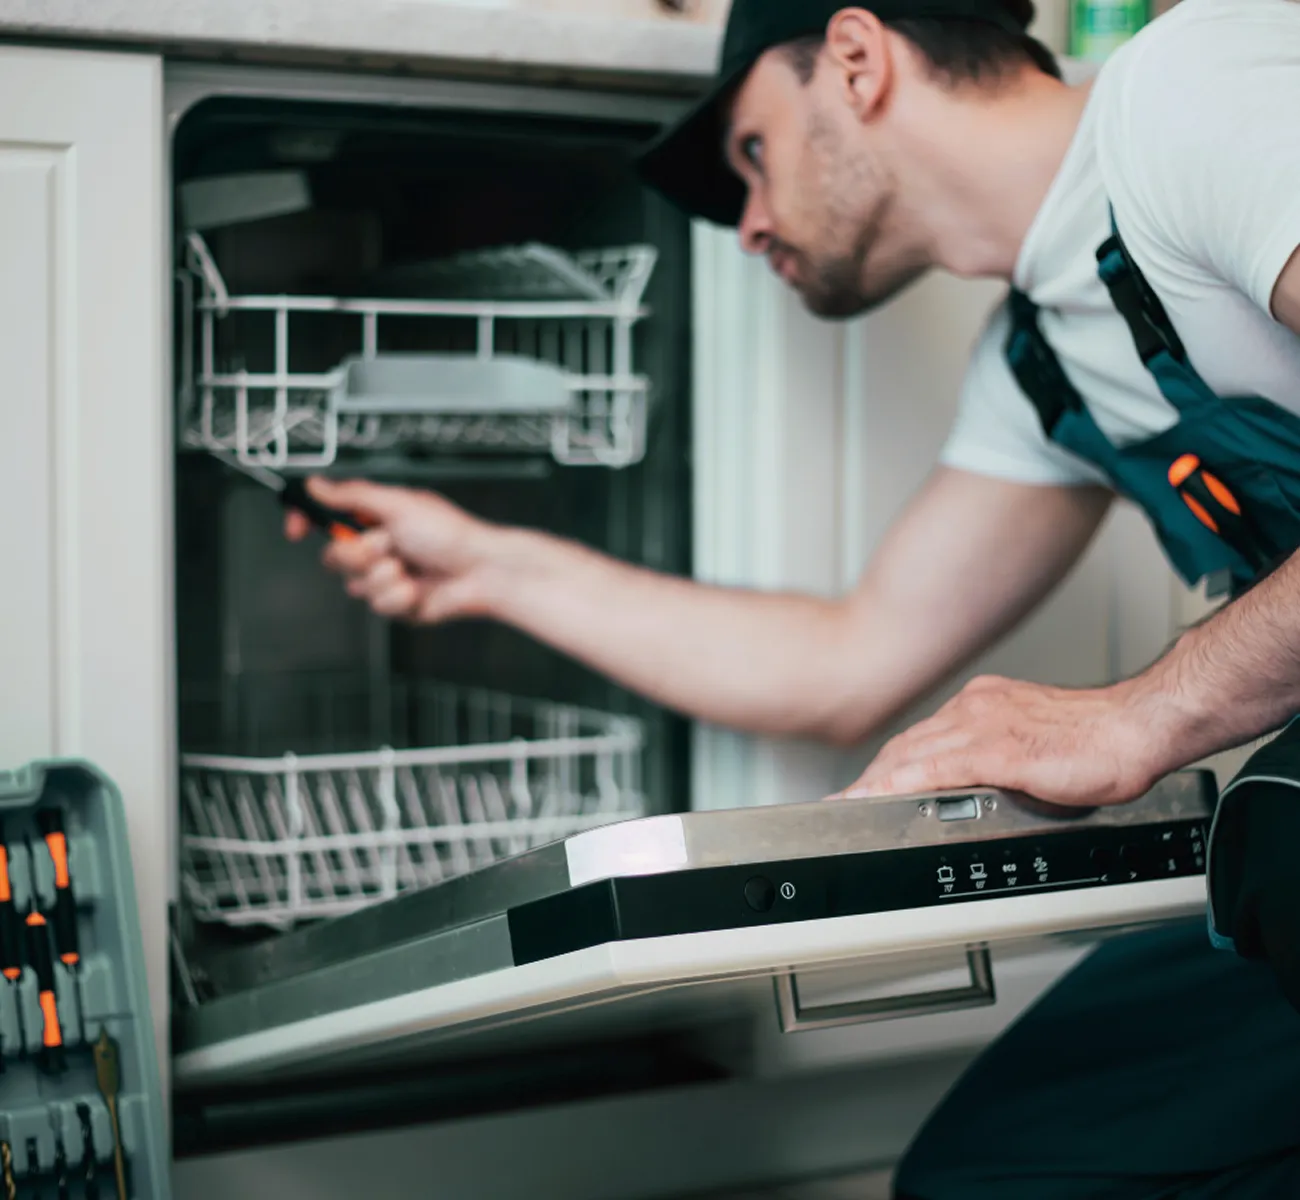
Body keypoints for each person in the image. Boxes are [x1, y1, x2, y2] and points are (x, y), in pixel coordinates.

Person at [288, 0, 1300, 1193]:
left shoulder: (1191, 92)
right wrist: (490, 563)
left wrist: (1146, 713)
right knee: (998, 1173)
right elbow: (842, 665)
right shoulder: (1040, 363)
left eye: (753, 154)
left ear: (857, 60)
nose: (749, 224)